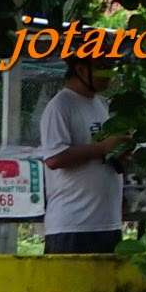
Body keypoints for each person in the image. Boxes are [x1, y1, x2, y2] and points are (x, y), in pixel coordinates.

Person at [39, 56, 132, 254]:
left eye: (111, 66)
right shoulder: (60, 106)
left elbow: (106, 150)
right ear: (80, 69)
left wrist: (119, 154)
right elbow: (54, 158)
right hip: (72, 225)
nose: (108, 74)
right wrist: (102, 148)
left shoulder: (103, 105)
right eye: (102, 67)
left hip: (108, 223)